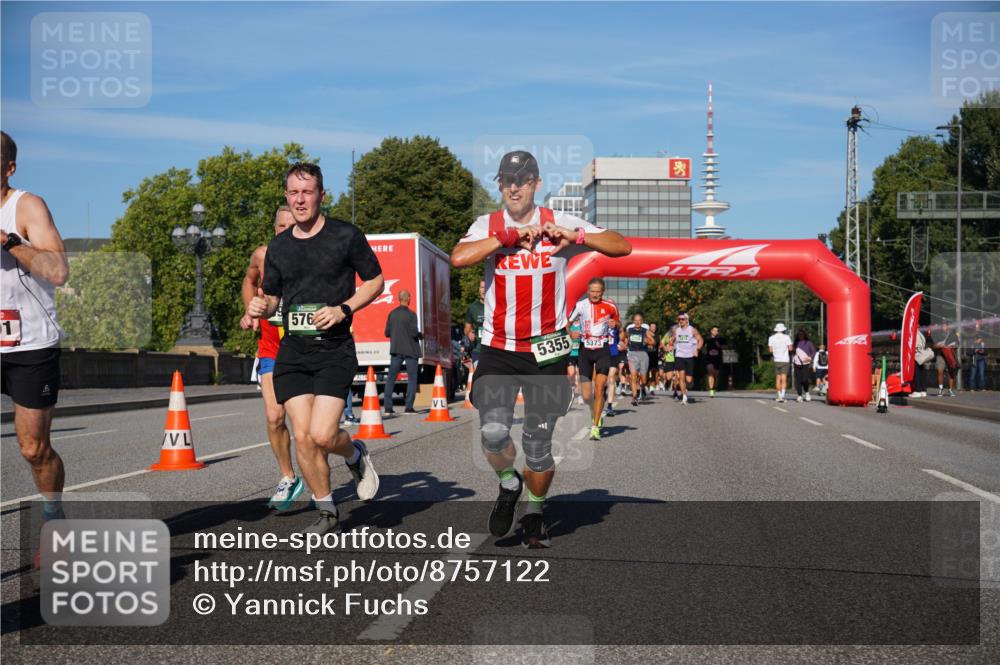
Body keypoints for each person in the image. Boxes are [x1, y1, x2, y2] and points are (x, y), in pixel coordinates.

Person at [450, 150, 630, 548]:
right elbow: (459, 257)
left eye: (523, 179)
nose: (515, 186)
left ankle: (534, 512)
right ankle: (509, 484)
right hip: (499, 347)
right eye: (508, 180)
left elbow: (622, 246)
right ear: (500, 185)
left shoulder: (558, 222)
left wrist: (576, 237)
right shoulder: (488, 224)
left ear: (535, 183)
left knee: (536, 442)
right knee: (494, 433)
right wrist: (506, 238)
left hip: (546, 349)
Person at [246, 162, 384, 535]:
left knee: (323, 436)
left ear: (322, 195)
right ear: (287, 198)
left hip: (334, 350)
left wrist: (344, 309)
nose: (300, 199)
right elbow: (274, 299)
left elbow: (376, 281)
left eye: (307, 192)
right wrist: (261, 307)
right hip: (293, 352)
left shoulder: (345, 236)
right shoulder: (278, 247)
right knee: (303, 436)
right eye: (293, 193)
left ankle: (355, 455)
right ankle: (326, 510)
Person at [1, 130, 70, 524]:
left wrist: (9, 242)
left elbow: (58, 272)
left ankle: (52, 512)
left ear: (8, 168)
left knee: (33, 449)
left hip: (29, 344)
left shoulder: (26, 207)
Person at [239, 206, 301, 509]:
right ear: (274, 227)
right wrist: (249, 310)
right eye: (281, 225)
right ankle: (288, 476)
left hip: (306, 350)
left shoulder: (313, 257)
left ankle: (334, 468)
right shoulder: (262, 255)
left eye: (293, 225)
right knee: (275, 417)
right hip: (271, 350)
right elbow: (249, 281)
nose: (286, 230)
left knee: (311, 432)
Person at [568, 278, 620, 441]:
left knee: (599, 387)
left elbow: (617, 322)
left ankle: (595, 426)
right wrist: (571, 334)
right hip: (585, 351)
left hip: (602, 350)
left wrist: (615, 323)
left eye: (598, 291)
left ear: (603, 291)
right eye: (592, 291)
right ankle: (594, 411)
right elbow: (566, 323)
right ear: (588, 290)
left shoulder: (610, 306)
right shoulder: (581, 305)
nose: (595, 294)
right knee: (586, 395)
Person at [383, 289, 422, 415]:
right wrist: (421, 335)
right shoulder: (411, 315)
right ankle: (408, 407)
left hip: (396, 350)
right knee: (412, 379)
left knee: (391, 378)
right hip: (410, 350)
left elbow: (387, 333)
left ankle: (388, 407)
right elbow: (414, 333)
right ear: (408, 298)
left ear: (399, 299)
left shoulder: (391, 314)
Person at [670, 312, 703, 405]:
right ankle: (684, 397)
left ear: (687, 320)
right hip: (679, 356)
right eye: (679, 319)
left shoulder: (692, 330)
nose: (680, 321)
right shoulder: (677, 330)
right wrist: (670, 343)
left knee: (688, 380)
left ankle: (686, 387)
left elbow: (700, 340)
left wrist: (697, 349)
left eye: (682, 319)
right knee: (681, 377)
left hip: (689, 357)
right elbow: (672, 339)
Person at [625, 312, 654, 407]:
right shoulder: (629, 330)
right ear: (633, 321)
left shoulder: (645, 331)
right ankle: (634, 397)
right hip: (632, 354)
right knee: (633, 376)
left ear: (642, 321)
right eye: (636, 320)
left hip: (643, 355)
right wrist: (624, 344)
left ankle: (642, 388)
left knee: (644, 379)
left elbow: (653, 342)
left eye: (639, 320)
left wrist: (647, 341)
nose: (637, 322)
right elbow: (625, 340)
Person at [931, 322, 959, 397]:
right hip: (940, 355)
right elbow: (933, 345)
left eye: (945, 326)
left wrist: (953, 345)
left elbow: (957, 344)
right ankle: (940, 389)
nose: (943, 327)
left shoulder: (953, 334)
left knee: (950, 372)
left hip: (950, 355)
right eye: (942, 326)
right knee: (940, 371)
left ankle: (950, 390)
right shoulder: (937, 334)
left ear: (948, 327)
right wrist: (938, 345)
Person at [768, 323, 793, 403]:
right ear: (783, 330)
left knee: (778, 378)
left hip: (776, 360)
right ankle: (783, 396)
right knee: (784, 378)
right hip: (785, 359)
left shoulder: (771, 338)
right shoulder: (787, 337)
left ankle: (779, 396)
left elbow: (770, 350)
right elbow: (790, 348)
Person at [464, 279, 485, 368]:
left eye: (486, 287)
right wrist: (469, 333)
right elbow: (466, 328)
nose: (484, 290)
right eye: (482, 287)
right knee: (480, 377)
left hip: (495, 349)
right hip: (478, 349)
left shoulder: (498, 304)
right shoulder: (473, 307)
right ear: (479, 289)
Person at [792, 329, 817, 402]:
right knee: (798, 380)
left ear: (805, 335)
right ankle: (799, 395)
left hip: (806, 364)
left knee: (805, 379)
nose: (800, 336)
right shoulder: (795, 343)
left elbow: (814, 351)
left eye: (802, 334)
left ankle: (807, 392)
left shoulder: (808, 343)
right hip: (796, 364)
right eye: (799, 334)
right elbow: (793, 352)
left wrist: (809, 358)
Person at [604, 318, 621, 418]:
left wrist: (621, 344)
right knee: (603, 380)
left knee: (611, 378)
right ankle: (603, 391)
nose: (611, 323)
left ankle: (610, 406)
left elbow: (622, 338)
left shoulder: (617, 331)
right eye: (609, 321)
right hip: (603, 356)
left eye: (613, 321)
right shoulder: (602, 330)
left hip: (614, 355)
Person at [703, 326, 724, 397]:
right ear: (711, 331)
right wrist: (705, 348)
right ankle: (711, 390)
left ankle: (714, 387)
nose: (716, 332)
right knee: (710, 374)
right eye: (714, 330)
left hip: (717, 359)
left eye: (717, 331)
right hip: (709, 359)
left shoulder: (720, 339)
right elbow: (702, 347)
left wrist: (719, 346)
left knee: (716, 375)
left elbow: (725, 347)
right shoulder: (707, 339)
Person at [567, 319, 582, 404]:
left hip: (580, 353)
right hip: (571, 353)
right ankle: (571, 389)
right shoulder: (569, 325)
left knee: (580, 377)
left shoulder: (582, 324)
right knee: (572, 373)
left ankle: (580, 396)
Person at [645, 322, 660, 395]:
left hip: (654, 356)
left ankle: (651, 387)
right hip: (646, 355)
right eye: (652, 326)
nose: (653, 328)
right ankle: (647, 384)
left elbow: (654, 343)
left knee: (654, 372)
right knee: (646, 372)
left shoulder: (657, 336)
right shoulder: (645, 334)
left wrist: (649, 341)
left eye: (654, 327)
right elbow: (644, 342)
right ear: (649, 328)